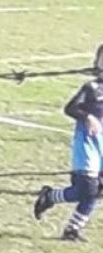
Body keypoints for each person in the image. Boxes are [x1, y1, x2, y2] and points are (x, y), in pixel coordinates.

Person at [33, 44, 103, 241]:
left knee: (97, 190)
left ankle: (72, 230)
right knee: (86, 189)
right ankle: (50, 197)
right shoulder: (91, 89)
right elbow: (70, 108)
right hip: (88, 145)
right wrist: (88, 117)